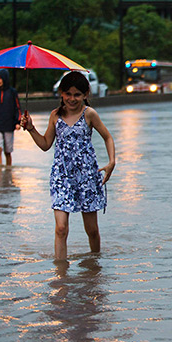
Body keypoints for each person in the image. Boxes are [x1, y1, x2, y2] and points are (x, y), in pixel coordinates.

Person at [20, 71, 116, 261]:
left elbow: (107, 137)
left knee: (92, 230)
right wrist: (31, 128)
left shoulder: (89, 114)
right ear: (61, 93)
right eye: (68, 94)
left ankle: (94, 266)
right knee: (61, 228)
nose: (72, 99)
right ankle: (61, 275)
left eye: (77, 95)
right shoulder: (55, 115)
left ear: (86, 94)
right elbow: (46, 144)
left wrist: (111, 162)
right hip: (61, 177)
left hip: (87, 177)